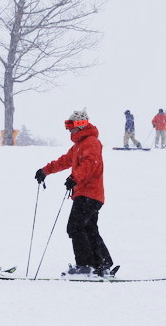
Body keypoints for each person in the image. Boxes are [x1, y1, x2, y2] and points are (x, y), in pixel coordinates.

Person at [34, 108, 114, 277]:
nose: (68, 129)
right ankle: (102, 264)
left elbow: (90, 164)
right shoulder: (78, 146)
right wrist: (45, 171)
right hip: (87, 194)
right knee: (88, 228)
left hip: (89, 194)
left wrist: (74, 178)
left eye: (70, 125)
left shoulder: (91, 142)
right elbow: (64, 161)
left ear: (80, 125)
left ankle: (85, 266)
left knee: (75, 227)